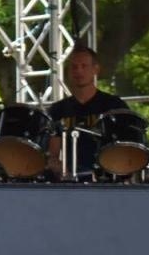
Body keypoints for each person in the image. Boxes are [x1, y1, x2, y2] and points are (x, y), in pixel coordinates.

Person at [46, 45, 131, 179]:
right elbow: (52, 154)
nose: (79, 71)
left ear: (95, 69)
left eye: (84, 66)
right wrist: (58, 167)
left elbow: (129, 148)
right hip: (70, 181)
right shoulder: (58, 110)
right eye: (74, 67)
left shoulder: (114, 105)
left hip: (109, 180)